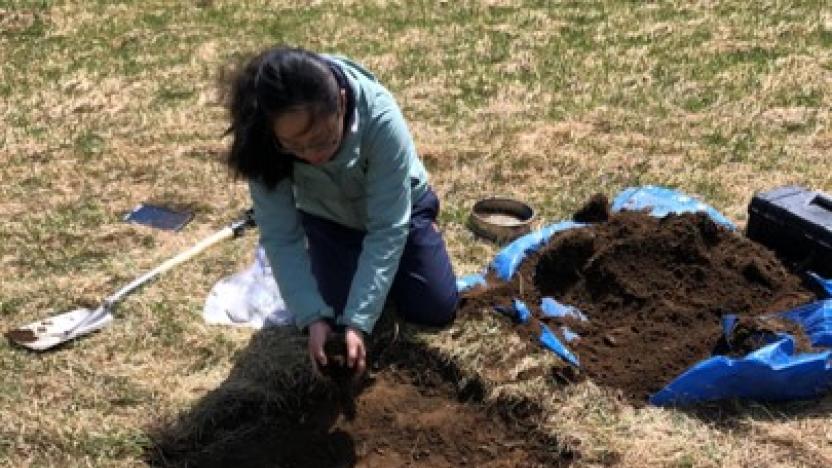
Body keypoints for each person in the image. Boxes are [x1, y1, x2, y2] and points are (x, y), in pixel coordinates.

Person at [223, 46, 459, 377]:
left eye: (321, 140)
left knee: (434, 307)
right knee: (330, 317)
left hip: (398, 213)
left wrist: (360, 321)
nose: (312, 156)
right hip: (329, 220)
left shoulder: (379, 116)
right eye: (294, 146)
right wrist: (312, 319)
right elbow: (281, 237)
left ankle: (420, 245)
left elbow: (387, 228)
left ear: (342, 104)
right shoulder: (261, 141)